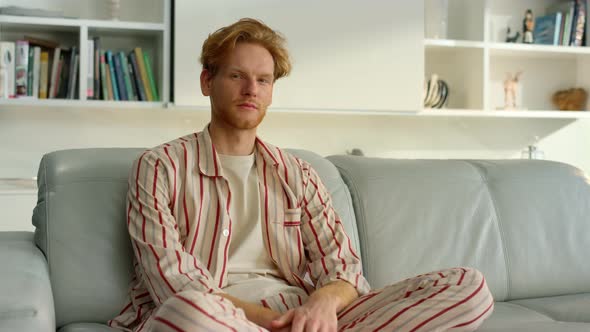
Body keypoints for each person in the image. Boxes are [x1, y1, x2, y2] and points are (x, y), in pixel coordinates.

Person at [109, 18, 494, 331]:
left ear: (272, 90)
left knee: (469, 287)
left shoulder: (298, 175)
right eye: (236, 76)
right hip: (218, 318)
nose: (251, 90)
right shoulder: (160, 167)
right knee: (187, 310)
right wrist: (272, 323)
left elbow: (344, 271)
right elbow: (172, 283)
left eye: (263, 80)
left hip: (305, 320)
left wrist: (321, 306)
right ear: (207, 82)